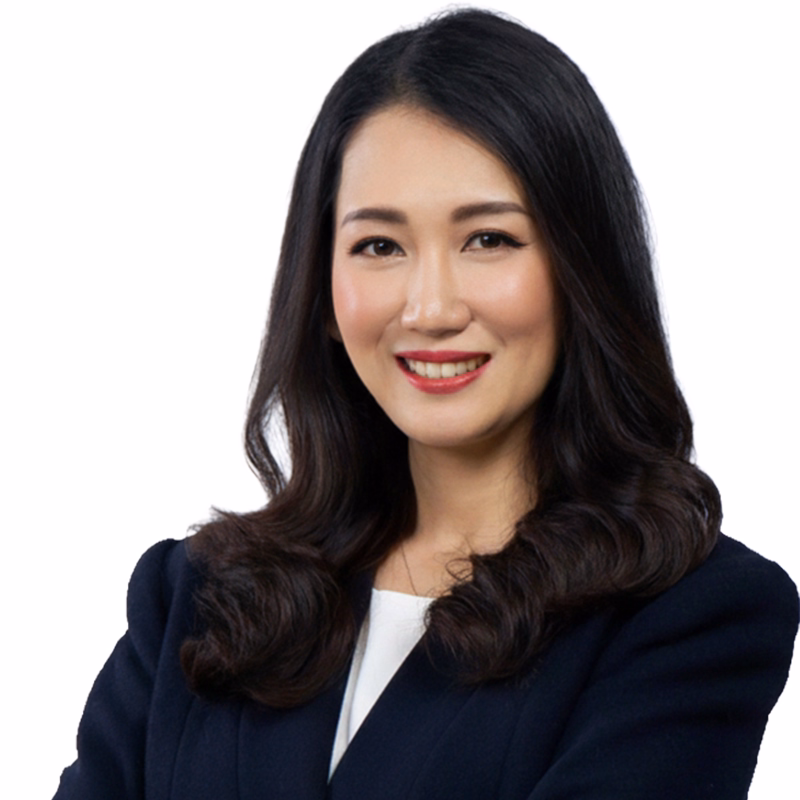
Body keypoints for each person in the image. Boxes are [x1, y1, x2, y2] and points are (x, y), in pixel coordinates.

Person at [54, 9, 798, 799]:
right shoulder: (194, 599)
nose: (431, 308)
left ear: (581, 270)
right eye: (379, 246)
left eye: (489, 239)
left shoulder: (694, 616)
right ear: (322, 291)